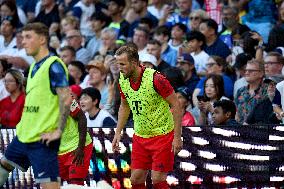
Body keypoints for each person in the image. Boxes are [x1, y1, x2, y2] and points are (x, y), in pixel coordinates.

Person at [0, 22, 72, 189]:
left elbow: (66, 99)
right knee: (4, 165)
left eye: (28, 37)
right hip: (24, 135)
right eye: (22, 37)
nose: (23, 41)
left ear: (42, 39)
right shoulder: (33, 67)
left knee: (49, 186)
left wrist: (58, 131)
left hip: (42, 138)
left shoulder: (54, 64)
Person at [112, 45, 182, 189]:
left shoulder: (156, 79)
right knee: (135, 179)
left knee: (158, 179)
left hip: (162, 135)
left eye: (123, 64)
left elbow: (176, 106)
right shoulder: (122, 80)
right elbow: (125, 106)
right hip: (140, 136)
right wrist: (118, 132)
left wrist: (177, 137)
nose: (119, 68)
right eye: (118, 64)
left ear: (134, 62)